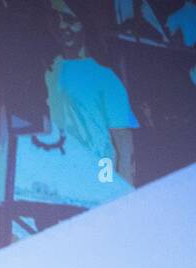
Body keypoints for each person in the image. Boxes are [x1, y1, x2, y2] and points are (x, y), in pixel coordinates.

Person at [33, 0, 140, 186]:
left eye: (69, 19)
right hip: (60, 175)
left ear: (84, 22)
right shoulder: (47, 71)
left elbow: (124, 146)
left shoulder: (105, 78)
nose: (61, 26)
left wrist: (122, 193)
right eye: (55, 18)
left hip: (99, 178)